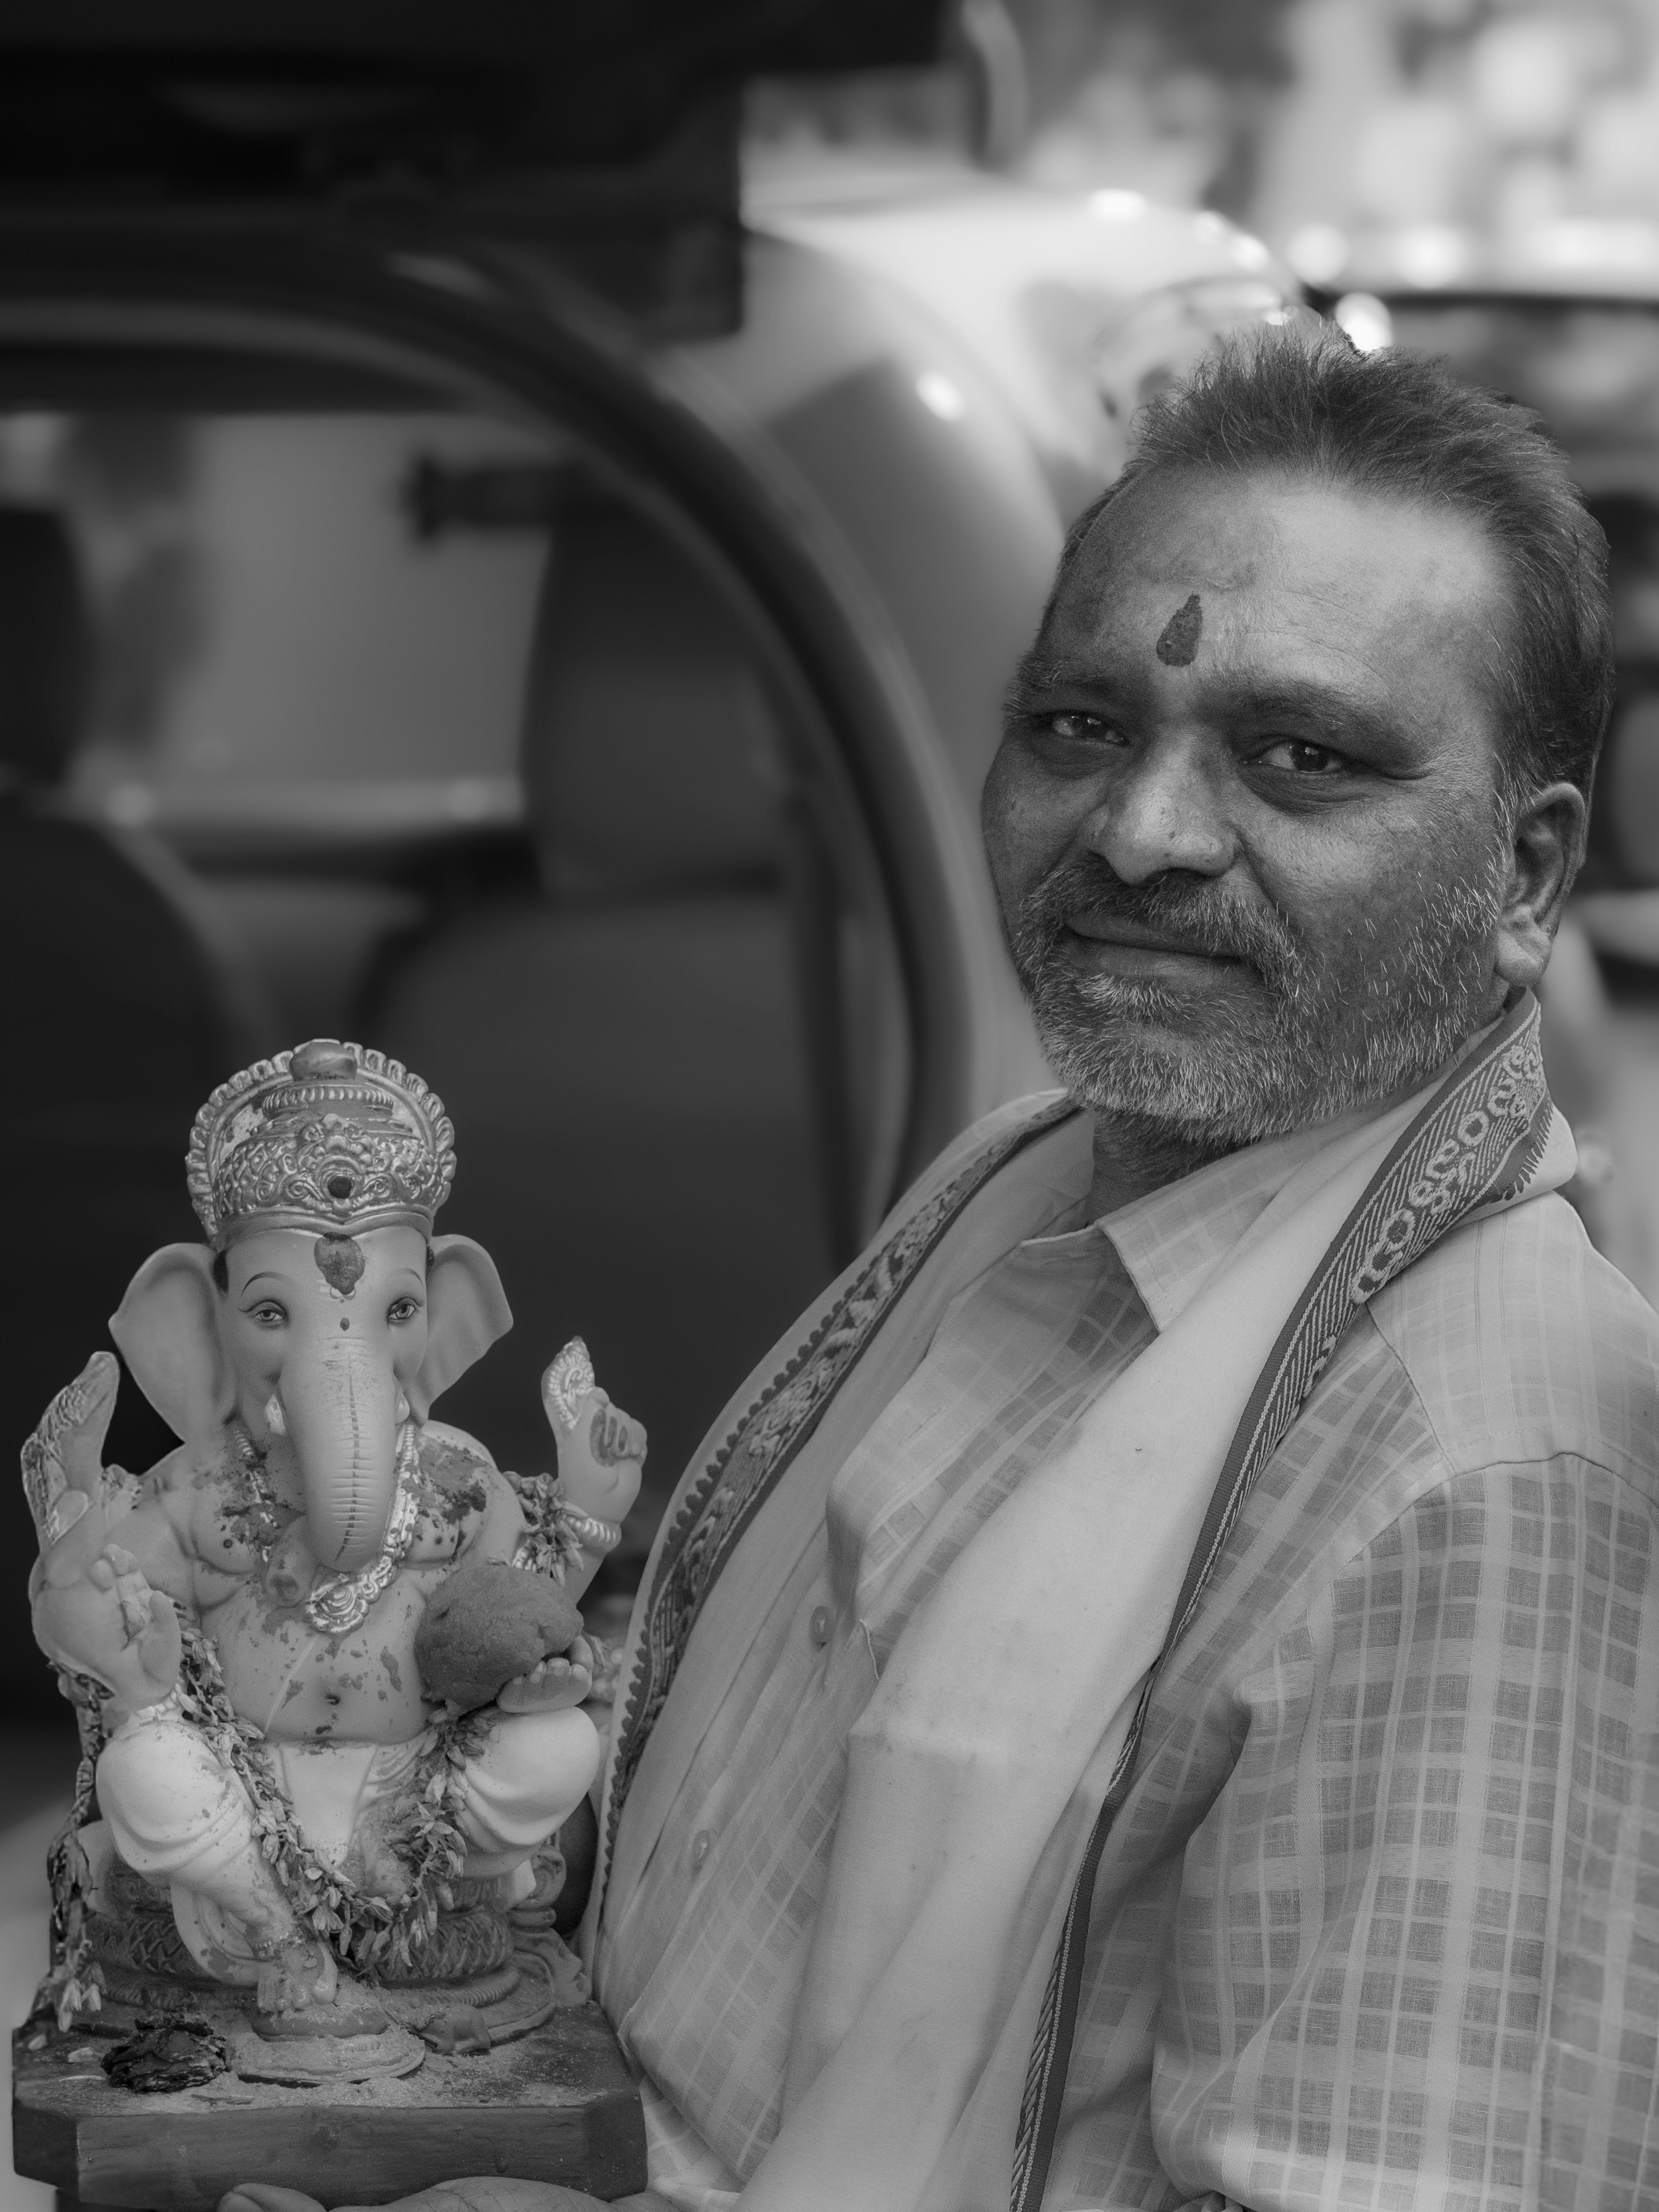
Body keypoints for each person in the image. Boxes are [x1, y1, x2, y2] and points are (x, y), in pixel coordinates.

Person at [227, 326, 1654, 2212]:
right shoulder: (1026, 1177)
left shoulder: (1483, 1468)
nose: (1142, 835)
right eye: (1082, 728)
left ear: (1529, 874)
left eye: (1302, 759)